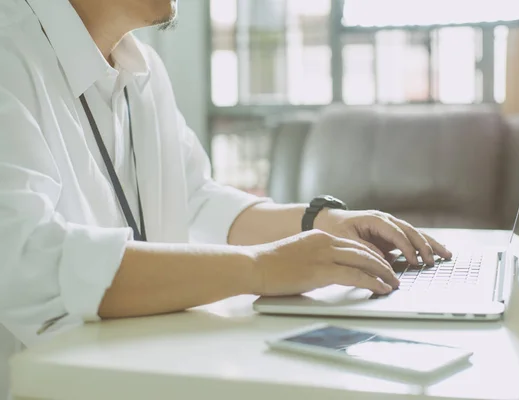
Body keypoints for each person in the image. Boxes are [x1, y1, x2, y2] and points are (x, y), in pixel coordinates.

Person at [0, 0, 452, 398]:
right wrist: (261, 267)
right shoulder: (9, 54)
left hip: (143, 370)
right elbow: (27, 265)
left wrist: (320, 223)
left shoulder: (143, 70)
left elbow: (195, 199)